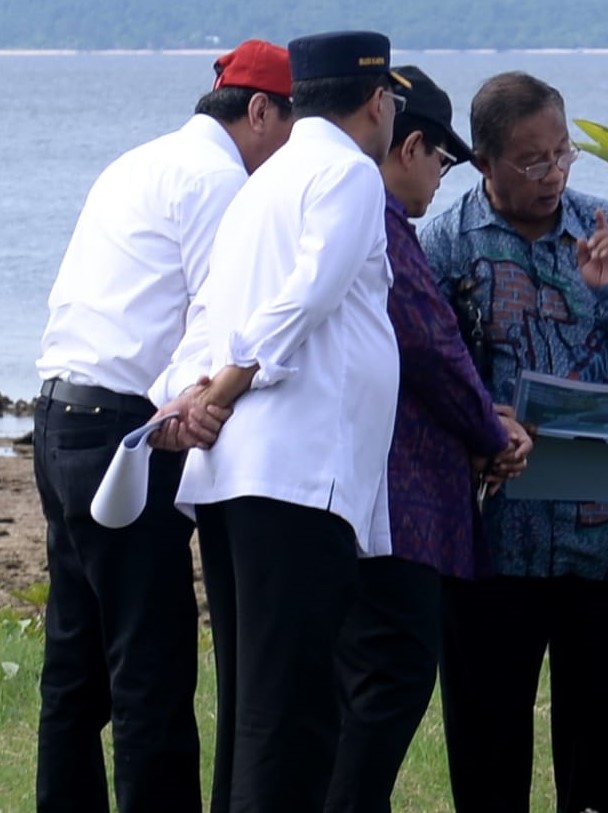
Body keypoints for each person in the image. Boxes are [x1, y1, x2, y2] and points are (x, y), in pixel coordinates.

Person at [32, 39, 292, 813]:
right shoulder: (218, 183)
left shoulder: (135, 162)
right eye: (291, 126)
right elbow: (225, 327)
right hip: (123, 433)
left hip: (57, 417)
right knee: (150, 668)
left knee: (75, 671)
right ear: (257, 111)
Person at [420, 71, 608, 813]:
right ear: (484, 163)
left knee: (601, 740)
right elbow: (418, 378)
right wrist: (477, 429)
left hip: (600, 536)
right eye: (532, 162)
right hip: (489, 538)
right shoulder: (442, 247)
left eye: (563, 153)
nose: (554, 174)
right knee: (487, 742)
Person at [163, 30, 407, 811]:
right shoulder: (348, 171)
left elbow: (207, 310)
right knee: (292, 713)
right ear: (378, 101)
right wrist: (224, 385)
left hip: (242, 474)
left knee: (253, 703)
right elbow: (311, 291)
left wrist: (186, 393)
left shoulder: (260, 183)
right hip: (298, 471)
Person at [324, 65, 532, 813]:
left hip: (349, 495)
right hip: (397, 505)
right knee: (395, 673)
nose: (442, 180)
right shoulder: (383, 223)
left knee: (360, 684)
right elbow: (432, 343)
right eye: (441, 162)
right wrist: (490, 427)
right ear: (410, 146)